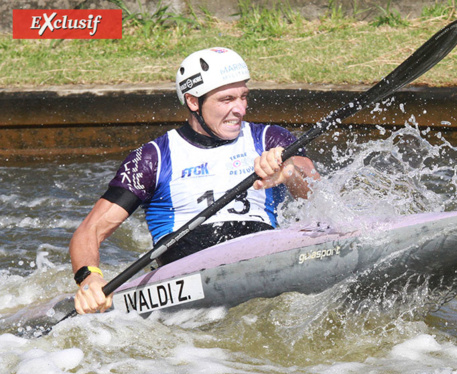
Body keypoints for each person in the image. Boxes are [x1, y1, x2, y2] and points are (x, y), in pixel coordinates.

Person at [70, 47, 319, 315]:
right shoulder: (152, 158)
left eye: (244, 97)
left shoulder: (271, 139)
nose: (240, 109)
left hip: (261, 255)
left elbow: (318, 194)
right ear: (192, 101)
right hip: (185, 271)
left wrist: (289, 170)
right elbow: (89, 231)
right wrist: (90, 278)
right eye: (226, 99)